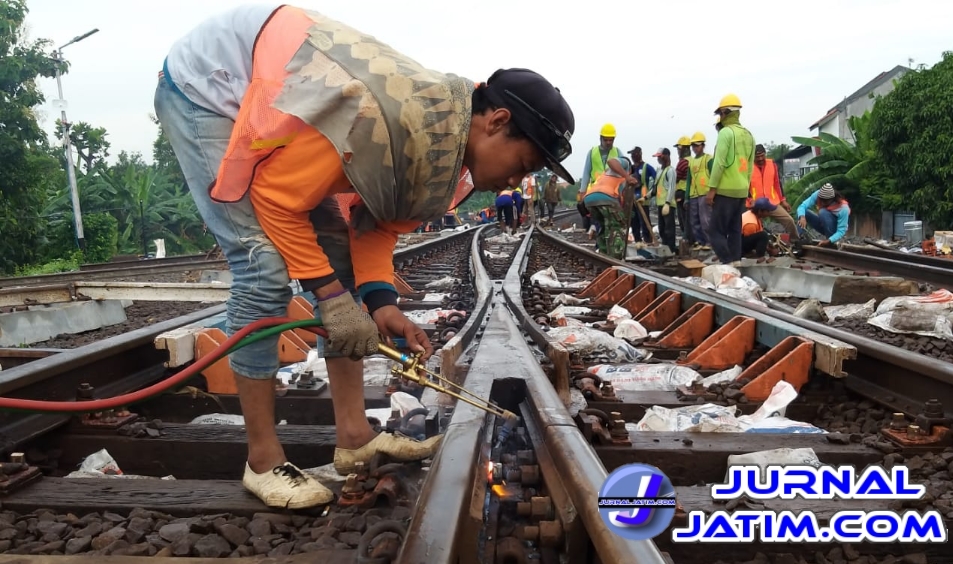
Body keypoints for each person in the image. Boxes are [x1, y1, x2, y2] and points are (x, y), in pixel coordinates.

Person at [155, 4, 576, 509]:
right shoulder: (384, 119)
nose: (516, 182)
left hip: (289, 101)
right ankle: (263, 460)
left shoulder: (441, 144)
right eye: (524, 163)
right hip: (212, 84)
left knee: (339, 265)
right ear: (496, 121)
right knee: (261, 268)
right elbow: (275, 199)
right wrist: (331, 297)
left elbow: (374, 223)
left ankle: (354, 437)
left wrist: (379, 303)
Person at [706, 93, 755, 266]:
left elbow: (719, 163)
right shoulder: (748, 135)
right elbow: (749, 167)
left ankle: (727, 263)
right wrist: (746, 189)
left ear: (725, 113)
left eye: (721, 113)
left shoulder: (726, 133)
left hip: (725, 189)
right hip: (741, 190)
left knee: (715, 231)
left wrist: (712, 190)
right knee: (734, 230)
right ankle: (736, 262)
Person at [584, 156, 636, 259]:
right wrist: (627, 176)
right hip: (605, 197)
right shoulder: (625, 163)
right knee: (618, 227)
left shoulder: (609, 174)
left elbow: (621, 200)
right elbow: (611, 160)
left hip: (590, 199)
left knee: (604, 226)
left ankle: (604, 255)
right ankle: (615, 258)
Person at [749, 145, 799, 242]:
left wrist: (783, 200)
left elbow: (777, 184)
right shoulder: (748, 167)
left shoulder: (772, 164)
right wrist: (750, 200)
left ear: (765, 154)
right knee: (751, 224)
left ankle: (795, 241)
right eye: (757, 157)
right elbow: (745, 187)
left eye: (762, 156)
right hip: (755, 204)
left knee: (789, 220)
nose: (760, 159)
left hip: (772, 202)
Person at [627, 147, 657, 248]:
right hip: (632, 198)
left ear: (639, 154)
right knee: (633, 221)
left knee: (644, 221)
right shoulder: (631, 168)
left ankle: (647, 240)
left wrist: (649, 194)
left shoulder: (646, 167)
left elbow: (656, 179)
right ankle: (637, 240)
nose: (633, 157)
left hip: (642, 198)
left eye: (634, 154)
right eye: (632, 155)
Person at [687, 132, 713, 249]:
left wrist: (713, 192)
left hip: (705, 193)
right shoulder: (691, 161)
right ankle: (700, 241)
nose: (695, 148)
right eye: (693, 146)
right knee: (695, 221)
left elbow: (714, 175)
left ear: (703, 146)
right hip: (694, 194)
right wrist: (687, 197)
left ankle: (709, 242)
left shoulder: (708, 159)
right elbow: (689, 180)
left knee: (705, 220)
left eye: (697, 146)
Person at [652, 148, 678, 254]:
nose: (658, 159)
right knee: (662, 229)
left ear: (666, 156)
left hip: (668, 205)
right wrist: (645, 197)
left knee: (669, 229)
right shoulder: (660, 171)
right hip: (660, 204)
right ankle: (665, 247)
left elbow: (671, 188)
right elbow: (655, 188)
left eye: (660, 156)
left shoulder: (670, 171)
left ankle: (671, 249)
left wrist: (667, 203)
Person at [674, 137, 693, 245]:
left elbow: (677, 177)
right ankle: (690, 239)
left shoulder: (683, 162)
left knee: (684, 219)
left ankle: (687, 239)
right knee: (689, 219)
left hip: (682, 193)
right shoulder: (692, 160)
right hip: (690, 193)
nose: (678, 151)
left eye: (679, 149)